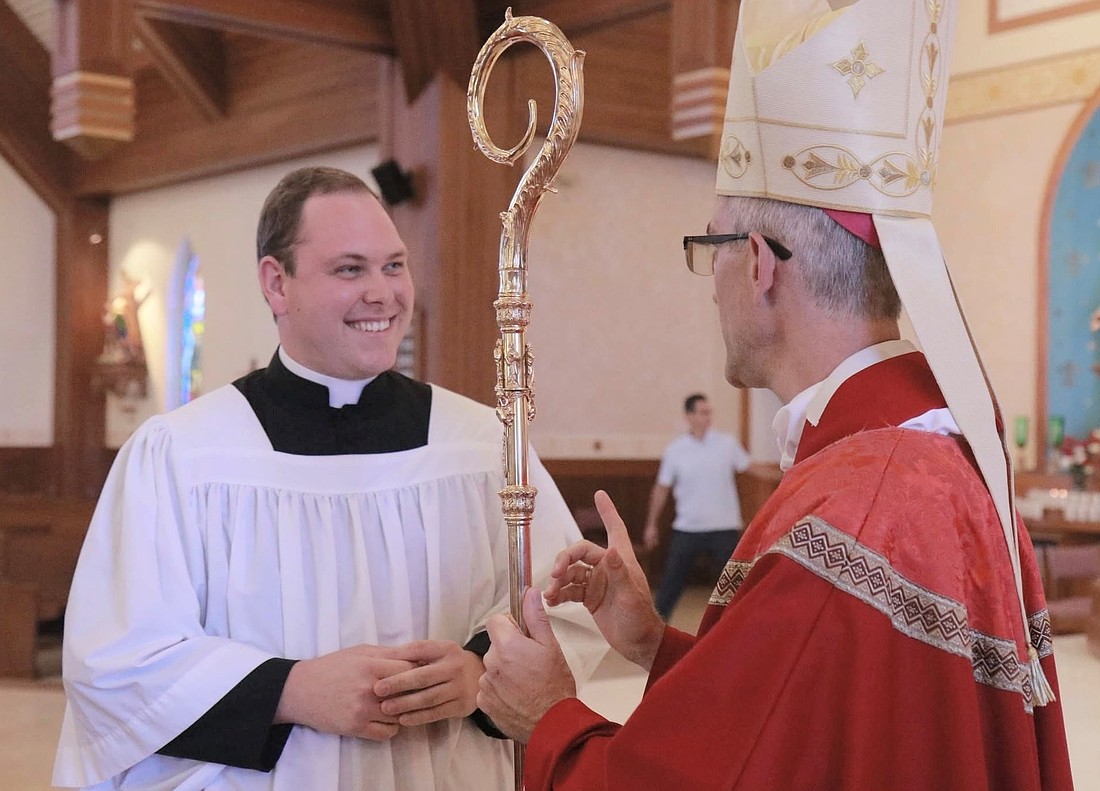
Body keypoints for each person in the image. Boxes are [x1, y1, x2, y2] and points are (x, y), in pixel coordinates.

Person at [474, 0, 1076, 788]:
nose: (709, 282)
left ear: (758, 262)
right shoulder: (927, 452)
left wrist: (552, 714)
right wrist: (656, 642)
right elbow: (811, 724)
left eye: (710, 249)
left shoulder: (856, 506)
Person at [52, 166, 607, 790]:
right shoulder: (183, 455)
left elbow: (559, 608)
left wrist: (480, 674)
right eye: (350, 269)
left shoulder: (486, 443)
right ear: (276, 282)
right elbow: (117, 663)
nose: (383, 293)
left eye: (394, 266)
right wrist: (290, 690)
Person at [643, 393, 750, 620]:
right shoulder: (676, 450)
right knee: (671, 583)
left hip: (724, 527)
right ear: (689, 416)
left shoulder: (727, 444)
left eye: (709, 412)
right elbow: (661, 489)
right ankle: (656, 628)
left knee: (736, 585)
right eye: (702, 412)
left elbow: (749, 470)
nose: (707, 417)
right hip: (688, 528)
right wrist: (651, 524)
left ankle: (741, 627)